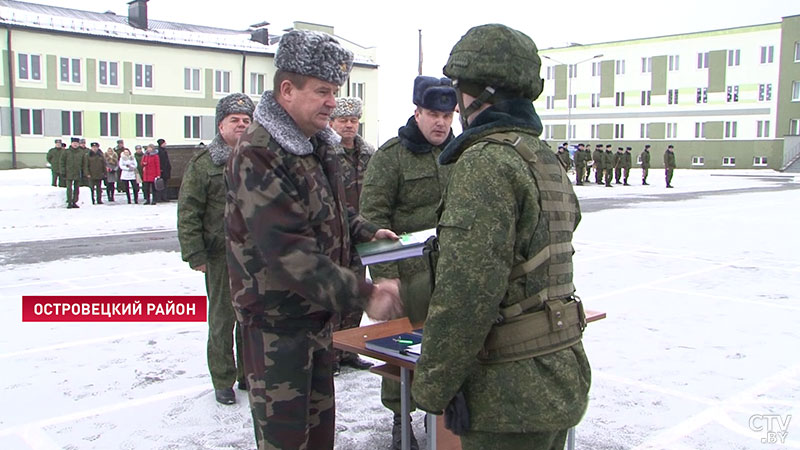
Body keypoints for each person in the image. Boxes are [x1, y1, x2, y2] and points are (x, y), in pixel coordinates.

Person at [410, 23, 591, 450]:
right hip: (555, 375)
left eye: (458, 89)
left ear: (477, 93)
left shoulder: (486, 164)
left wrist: (434, 386)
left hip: (506, 394)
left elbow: (467, 293)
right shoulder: (542, 158)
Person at [223, 30, 403, 450]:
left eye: (335, 91)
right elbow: (288, 251)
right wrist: (364, 294)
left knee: (319, 437)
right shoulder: (260, 152)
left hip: (315, 319)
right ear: (286, 90)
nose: (332, 102)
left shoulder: (313, 145)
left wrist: (365, 232)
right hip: (277, 328)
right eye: (322, 91)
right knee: (288, 440)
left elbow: (330, 212)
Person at [359, 75, 456, 450]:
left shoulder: (461, 154)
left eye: (448, 115)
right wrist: (386, 280)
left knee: (447, 346)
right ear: (417, 113)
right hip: (407, 275)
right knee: (401, 350)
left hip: (450, 272)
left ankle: (445, 418)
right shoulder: (391, 157)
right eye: (433, 114)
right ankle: (401, 418)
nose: (441, 123)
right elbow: (373, 220)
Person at [178, 93, 254, 405]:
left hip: (253, 254)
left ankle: (248, 373)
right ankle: (223, 378)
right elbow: (188, 211)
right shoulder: (204, 163)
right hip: (219, 254)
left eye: (246, 121)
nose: (241, 125)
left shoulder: (257, 158)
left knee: (250, 315)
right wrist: (194, 254)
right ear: (220, 125)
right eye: (234, 120)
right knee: (223, 318)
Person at [328, 96, 377, 374]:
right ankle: (331, 353)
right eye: (343, 120)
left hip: (361, 234)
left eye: (353, 120)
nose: (349, 125)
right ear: (332, 122)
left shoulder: (368, 154)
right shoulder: (325, 153)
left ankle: (348, 350)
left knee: (356, 291)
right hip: (334, 235)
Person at [59, 137, 88, 209]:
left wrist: (85, 172)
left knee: (76, 188)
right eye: (74, 143)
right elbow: (62, 162)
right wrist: (63, 171)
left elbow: (84, 163)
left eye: (76, 143)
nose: (75, 144)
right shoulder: (66, 152)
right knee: (69, 188)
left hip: (78, 173)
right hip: (68, 172)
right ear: (71, 143)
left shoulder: (81, 152)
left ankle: (75, 201)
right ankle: (69, 202)